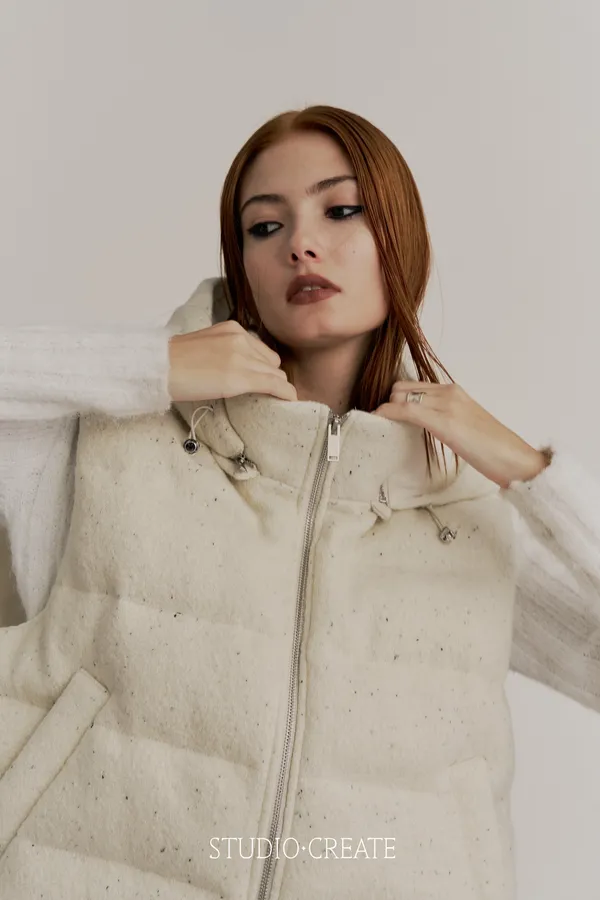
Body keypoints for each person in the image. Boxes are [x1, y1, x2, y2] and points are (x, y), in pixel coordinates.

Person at [0, 104, 599, 900]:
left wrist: (527, 471)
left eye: (341, 210)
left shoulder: (464, 510)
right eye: (264, 226)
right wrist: (148, 367)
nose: (301, 244)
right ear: (241, 264)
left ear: (402, 236)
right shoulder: (107, 442)